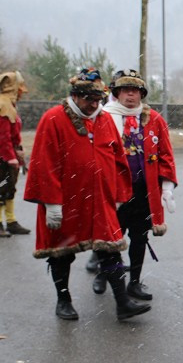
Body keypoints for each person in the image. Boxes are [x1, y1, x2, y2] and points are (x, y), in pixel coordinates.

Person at [23, 68, 151, 321]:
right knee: (62, 251)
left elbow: (117, 159)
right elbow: (43, 163)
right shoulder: (53, 119)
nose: (94, 105)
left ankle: (123, 302)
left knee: (110, 248)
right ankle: (63, 299)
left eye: (98, 100)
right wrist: (51, 204)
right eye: (88, 100)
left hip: (99, 200)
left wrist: (117, 193)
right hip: (65, 201)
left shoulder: (103, 119)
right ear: (74, 96)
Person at [93, 69, 177, 302]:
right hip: (113, 191)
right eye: (125, 90)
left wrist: (167, 187)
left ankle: (134, 282)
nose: (130, 95)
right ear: (116, 93)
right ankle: (104, 274)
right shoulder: (103, 118)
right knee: (109, 237)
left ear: (142, 94)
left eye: (135, 91)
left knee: (139, 238)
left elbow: (165, 155)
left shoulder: (154, 120)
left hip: (142, 192)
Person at [0, 71, 30, 237]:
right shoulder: (2, 105)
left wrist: (17, 150)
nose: (21, 92)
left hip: (9, 153)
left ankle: (11, 222)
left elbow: (11, 135)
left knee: (9, 188)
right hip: (2, 156)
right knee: (2, 188)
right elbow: (2, 136)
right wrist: (10, 156)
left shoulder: (8, 104)